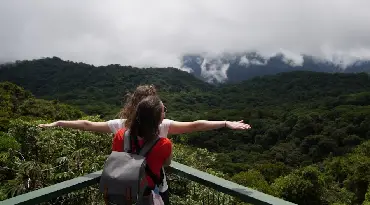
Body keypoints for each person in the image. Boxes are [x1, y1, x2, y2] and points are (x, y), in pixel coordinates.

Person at [38, 84, 251, 204]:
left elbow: (86, 124)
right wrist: (224, 123)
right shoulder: (163, 128)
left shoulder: (120, 128)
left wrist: (59, 122)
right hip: (155, 190)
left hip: (125, 189)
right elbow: (195, 126)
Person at [118, 95, 172, 204]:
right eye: (163, 110)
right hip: (148, 195)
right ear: (159, 118)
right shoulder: (164, 144)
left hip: (124, 191)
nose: (164, 113)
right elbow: (167, 163)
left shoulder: (120, 135)